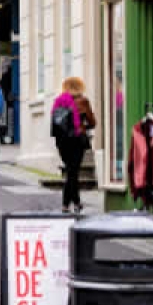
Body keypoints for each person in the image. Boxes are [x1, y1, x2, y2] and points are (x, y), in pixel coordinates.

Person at [52, 76, 96, 214]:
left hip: (62, 141)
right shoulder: (83, 101)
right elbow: (93, 122)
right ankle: (66, 204)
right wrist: (83, 125)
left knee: (71, 171)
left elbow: (55, 123)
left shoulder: (58, 101)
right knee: (72, 172)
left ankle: (76, 202)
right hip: (77, 140)